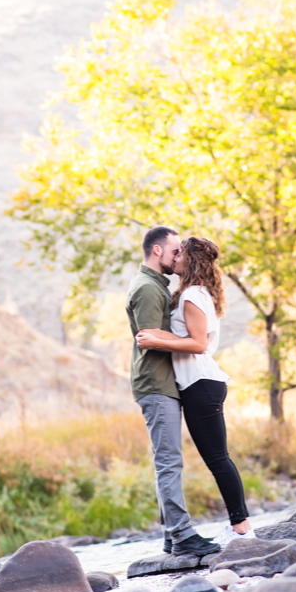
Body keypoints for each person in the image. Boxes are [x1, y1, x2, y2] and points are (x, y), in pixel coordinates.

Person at [136, 236, 254, 540]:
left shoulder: (191, 296)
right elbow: (190, 339)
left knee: (217, 459)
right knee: (217, 458)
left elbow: (198, 344)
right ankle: (239, 526)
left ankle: (241, 529)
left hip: (201, 384)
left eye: (179, 254)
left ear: (190, 261)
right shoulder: (194, 293)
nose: (174, 259)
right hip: (199, 384)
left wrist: (155, 340)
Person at [125, 226, 221, 558]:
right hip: (157, 383)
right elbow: (148, 337)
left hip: (164, 382)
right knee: (169, 461)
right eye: (175, 250)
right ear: (157, 251)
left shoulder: (157, 286)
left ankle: (171, 536)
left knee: (168, 460)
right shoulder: (150, 290)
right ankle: (181, 535)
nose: (179, 255)